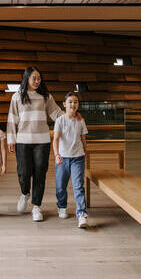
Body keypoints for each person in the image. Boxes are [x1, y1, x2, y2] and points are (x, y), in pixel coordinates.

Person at [7, 66, 63, 222]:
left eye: (39, 78)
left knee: (40, 172)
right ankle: (25, 193)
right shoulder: (17, 97)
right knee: (23, 172)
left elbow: (57, 114)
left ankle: (37, 206)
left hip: (42, 141)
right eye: (34, 78)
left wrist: (72, 116)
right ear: (27, 78)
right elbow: (12, 118)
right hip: (23, 141)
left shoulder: (46, 96)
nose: (37, 81)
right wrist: (11, 139)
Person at [53, 91, 89, 229]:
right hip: (62, 158)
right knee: (60, 187)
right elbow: (55, 140)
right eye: (70, 102)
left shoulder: (81, 120)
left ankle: (82, 214)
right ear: (64, 104)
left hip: (78, 158)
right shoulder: (60, 120)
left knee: (78, 186)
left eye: (75, 102)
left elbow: (83, 139)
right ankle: (62, 206)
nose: (73, 104)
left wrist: (84, 153)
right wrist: (57, 155)